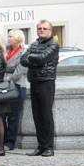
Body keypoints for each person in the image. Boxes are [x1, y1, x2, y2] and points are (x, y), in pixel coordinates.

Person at [21, 20, 59, 157]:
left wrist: (32, 59)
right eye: (39, 28)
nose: (41, 30)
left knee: (46, 115)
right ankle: (41, 146)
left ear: (50, 31)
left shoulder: (53, 44)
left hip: (46, 82)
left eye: (44, 28)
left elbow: (43, 58)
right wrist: (34, 60)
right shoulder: (34, 43)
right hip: (34, 81)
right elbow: (23, 60)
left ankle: (49, 147)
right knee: (37, 115)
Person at [4, 30, 28, 151]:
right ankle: (2, 140)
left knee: (13, 116)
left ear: (17, 38)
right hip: (4, 87)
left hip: (17, 87)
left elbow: (19, 71)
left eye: (10, 36)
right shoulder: (6, 50)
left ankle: (10, 142)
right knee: (2, 114)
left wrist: (7, 75)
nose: (8, 38)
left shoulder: (23, 52)